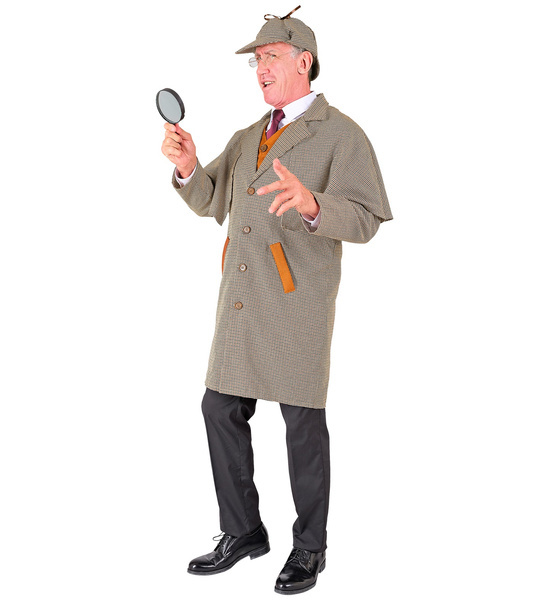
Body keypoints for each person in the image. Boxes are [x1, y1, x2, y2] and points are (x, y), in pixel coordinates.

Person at [161, 7, 393, 595]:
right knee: (219, 408)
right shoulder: (248, 137)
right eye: (256, 61)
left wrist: (313, 204)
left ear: (303, 61)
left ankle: (310, 548)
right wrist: (188, 167)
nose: (260, 68)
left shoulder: (341, 134)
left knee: (302, 425)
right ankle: (243, 532)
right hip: (241, 300)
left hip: (297, 303)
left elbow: (367, 218)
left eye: (269, 57)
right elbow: (211, 199)